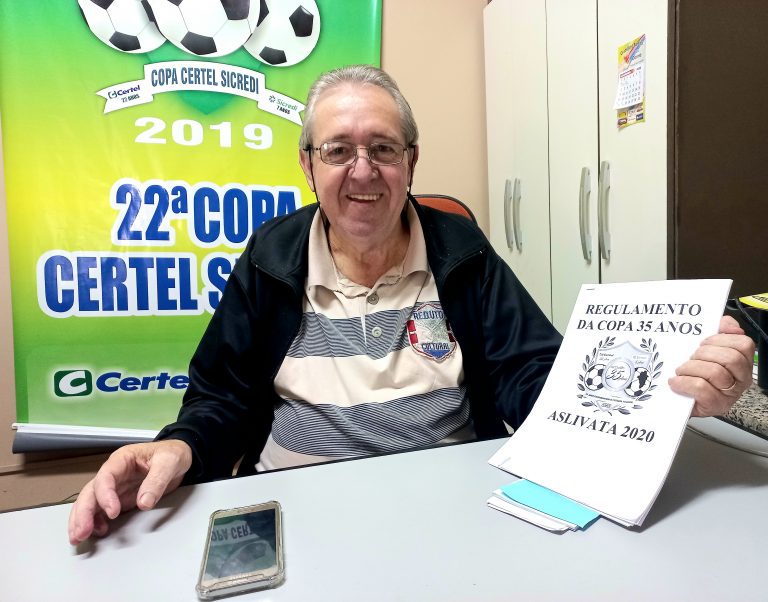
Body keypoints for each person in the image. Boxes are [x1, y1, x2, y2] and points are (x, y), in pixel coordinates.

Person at [68, 65, 755, 545]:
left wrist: (663, 396)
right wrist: (182, 446)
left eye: (383, 149)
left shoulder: (462, 252)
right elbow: (222, 396)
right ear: (308, 165)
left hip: (451, 510)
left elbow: (535, 377)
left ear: (411, 162)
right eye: (338, 150)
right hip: (298, 511)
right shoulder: (270, 260)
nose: (362, 171)